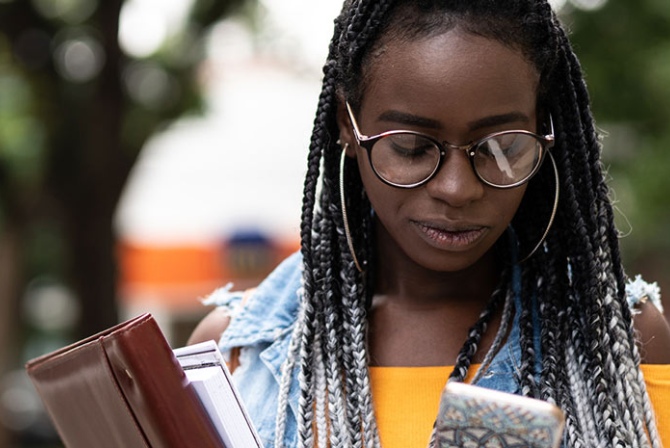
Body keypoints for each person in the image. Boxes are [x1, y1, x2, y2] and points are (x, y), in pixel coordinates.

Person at [189, 0, 670, 446]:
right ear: (347, 124)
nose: (457, 189)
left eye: (502, 147)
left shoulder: (624, 338)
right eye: (412, 147)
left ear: (545, 132)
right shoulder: (233, 354)